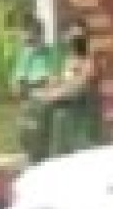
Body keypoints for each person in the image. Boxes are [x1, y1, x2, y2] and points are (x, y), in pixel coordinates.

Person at [38, 18, 104, 157]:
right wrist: (49, 88)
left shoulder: (90, 57)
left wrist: (57, 93)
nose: (76, 40)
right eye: (72, 36)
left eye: (80, 36)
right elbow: (57, 80)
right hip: (65, 110)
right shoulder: (67, 57)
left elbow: (83, 83)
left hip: (83, 114)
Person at [11, 17, 60, 163]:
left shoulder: (51, 53)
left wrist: (47, 86)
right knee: (31, 141)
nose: (29, 43)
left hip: (49, 101)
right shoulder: (24, 56)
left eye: (32, 38)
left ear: (40, 35)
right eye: (27, 39)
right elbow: (17, 87)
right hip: (31, 102)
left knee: (48, 144)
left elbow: (55, 78)